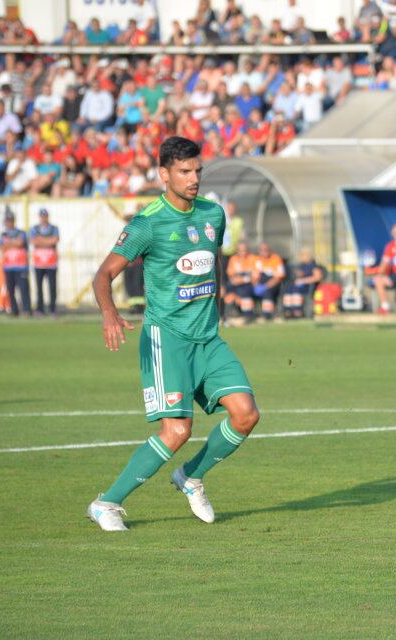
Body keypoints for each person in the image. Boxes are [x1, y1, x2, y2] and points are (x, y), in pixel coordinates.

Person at [87, 136, 260, 532]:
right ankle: (106, 503)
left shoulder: (213, 215)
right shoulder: (147, 223)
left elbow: (210, 263)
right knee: (178, 431)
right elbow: (104, 274)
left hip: (208, 338)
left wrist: (219, 308)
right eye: (184, 171)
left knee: (246, 414)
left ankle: (190, 476)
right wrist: (110, 314)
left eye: (198, 170)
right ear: (164, 174)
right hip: (167, 339)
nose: (193, 178)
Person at [0, 210, 31, 317]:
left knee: (23, 289)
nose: (9, 222)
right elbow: (1, 247)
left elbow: (20, 243)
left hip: (20, 266)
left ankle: (26, 309)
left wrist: (8, 244)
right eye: (8, 220)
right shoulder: (3, 234)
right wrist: (14, 243)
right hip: (8, 266)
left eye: (11, 220)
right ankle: (13, 310)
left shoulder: (21, 233)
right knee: (10, 290)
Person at [29, 208, 60, 316]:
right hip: (39, 263)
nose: (44, 218)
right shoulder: (34, 228)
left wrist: (40, 240)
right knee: (39, 287)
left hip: (51, 263)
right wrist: (48, 241)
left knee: (52, 287)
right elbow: (33, 241)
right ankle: (40, 309)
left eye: (45, 216)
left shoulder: (54, 228)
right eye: (42, 216)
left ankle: (52, 309)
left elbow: (54, 240)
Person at [284, 246, 323, 319]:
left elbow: (317, 277)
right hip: (300, 285)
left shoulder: (313, 265)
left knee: (295, 291)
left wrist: (303, 281)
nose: (301, 257)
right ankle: (288, 311)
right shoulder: (302, 265)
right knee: (288, 290)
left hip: (308, 287)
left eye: (302, 255)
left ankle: (297, 311)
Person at [252, 242, 286, 322]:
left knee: (267, 292)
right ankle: (249, 315)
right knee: (246, 291)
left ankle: (267, 316)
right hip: (260, 283)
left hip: (273, 284)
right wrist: (256, 286)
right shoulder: (256, 260)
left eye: (266, 250)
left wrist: (266, 286)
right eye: (262, 250)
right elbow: (254, 275)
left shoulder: (276, 259)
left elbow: (279, 276)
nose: (264, 252)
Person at [225, 242, 257, 323]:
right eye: (241, 250)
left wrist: (242, 279)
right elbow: (232, 279)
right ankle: (229, 316)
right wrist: (246, 278)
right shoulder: (233, 259)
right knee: (229, 292)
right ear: (237, 251)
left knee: (245, 292)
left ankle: (248, 316)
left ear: (248, 250)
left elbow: (255, 278)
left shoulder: (253, 258)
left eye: (245, 250)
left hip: (249, 286)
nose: (243, 252)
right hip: (235, 286)